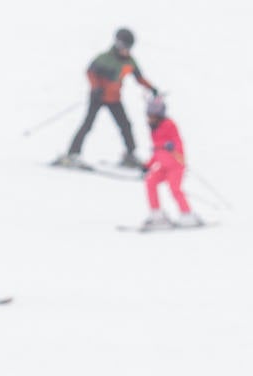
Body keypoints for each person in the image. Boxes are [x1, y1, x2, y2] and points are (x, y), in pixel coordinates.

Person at [57, 28, 158, 169]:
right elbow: (90, 72)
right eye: (124, 47)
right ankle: (72, 154)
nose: (126, 50)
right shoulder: (105, 58)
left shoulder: (130, 62)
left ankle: (130, 155)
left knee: (125, 125)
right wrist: (95, 87)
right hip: (98, 97)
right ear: (118, 44)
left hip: (114, 99)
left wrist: (151, 88)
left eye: (129, 47)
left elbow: (139, 78)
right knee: (88, 125)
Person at [141, 95, 201, 230]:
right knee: (150, 182)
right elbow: (156, 151)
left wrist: (171, 146)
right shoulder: (153, 129)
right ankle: (156, 214)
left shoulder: (169, 124)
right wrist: (147, 165)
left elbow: (178, 143)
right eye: (148, 116)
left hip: (175, 166)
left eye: (152, 116)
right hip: (163, 166)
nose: (150, 119)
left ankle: (187, 214)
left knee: (175, 189)